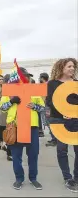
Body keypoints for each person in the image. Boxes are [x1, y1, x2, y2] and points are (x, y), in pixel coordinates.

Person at [0, 67, 45, 190]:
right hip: (14, 128)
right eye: (23, 76)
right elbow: (2, 108)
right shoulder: (9, 90)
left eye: (27, 76)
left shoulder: (33, 90)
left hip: (32, 127)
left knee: (33, 154)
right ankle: (19, 178)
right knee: (16, 155)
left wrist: (35, 106)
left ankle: (33, 178)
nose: (26, 78)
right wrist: (11, 101)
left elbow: (43, 108)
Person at [46, 58, 78, 192]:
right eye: (69, 66)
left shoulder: (76, 83)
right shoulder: (52, 83)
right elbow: (51, 101)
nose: (72, 68)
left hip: (76, 120)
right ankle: (67, 178)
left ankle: (76, 177)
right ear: (61, 68)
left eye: (73, 66)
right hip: (59, 121)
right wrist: (62, 112)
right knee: (62, 150)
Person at [0, 74, 12, 161]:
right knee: (4, 129)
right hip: (4, 111)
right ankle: (1, 142)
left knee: (8, 132)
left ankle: (8, 150)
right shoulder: (3, 89)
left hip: (9, 112)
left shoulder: (7, 88)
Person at [39, 73, 57, 147]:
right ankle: (54, 139)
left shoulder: (45, 85)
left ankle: (54, 140)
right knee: (49, 123)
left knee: (49, 123)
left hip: (46, 106)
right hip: (47, 106)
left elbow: (45, 97)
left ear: (42, 78)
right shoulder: (49, 84)